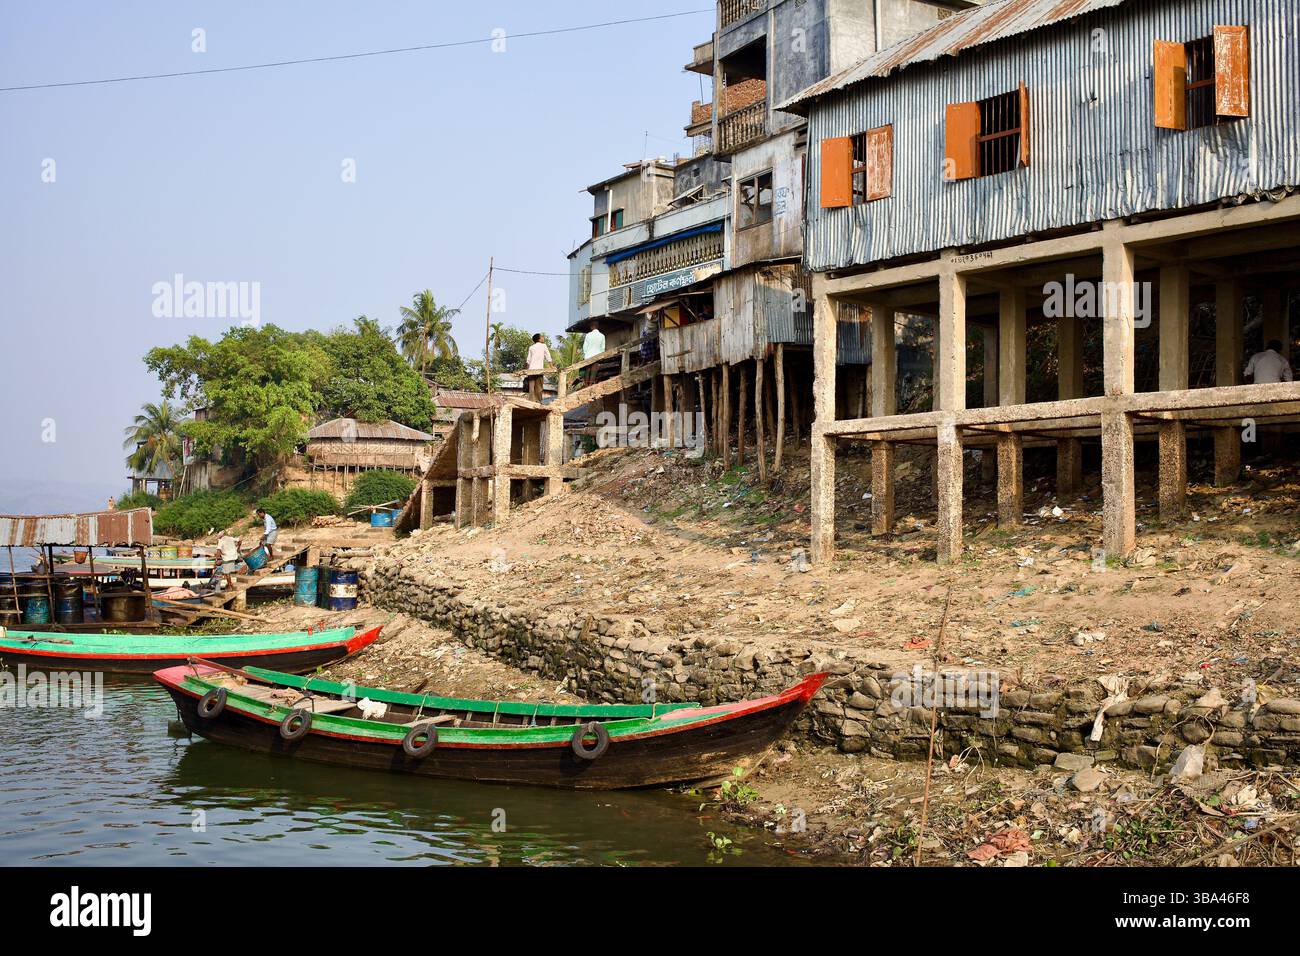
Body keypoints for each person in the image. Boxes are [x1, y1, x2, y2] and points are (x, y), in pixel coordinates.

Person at [525, 334, 553, 402]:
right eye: (542, 337)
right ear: (539, 339)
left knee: (531, 387)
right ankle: (538, 401)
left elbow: (528, 360)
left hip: (531, 369)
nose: (543, 338)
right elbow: (548, 356)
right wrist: (551, 366)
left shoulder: (531, 347)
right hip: (539, 370)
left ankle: (531, 401)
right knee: (539, 387)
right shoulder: (544, 346)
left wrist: (527, 370)